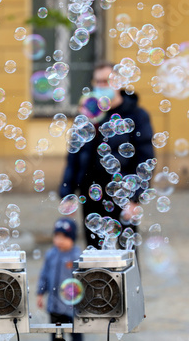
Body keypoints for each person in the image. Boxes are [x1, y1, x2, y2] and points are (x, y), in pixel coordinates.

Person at [60, 62, 154, 249]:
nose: (101, 86)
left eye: (106, 81)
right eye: (98, 82)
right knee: (93, 251)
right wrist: (68, 192)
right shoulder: (89, 113)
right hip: (90, 192)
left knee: (126, 253)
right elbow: (74, 154)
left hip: (122, 192)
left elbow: (145, 159)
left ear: (118, 83)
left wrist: (135, 199)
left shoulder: (136, 115)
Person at [37, 218, 82, 341]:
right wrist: (40, 293)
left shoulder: (77, 256)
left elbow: (83, 280)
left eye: (64, 237)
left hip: (73, 307)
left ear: (72, 238)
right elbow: (44, 275)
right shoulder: (51, 254)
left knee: (76, 335)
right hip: (54, 306)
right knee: (56, 335)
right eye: (57, 236)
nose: (60, 241)